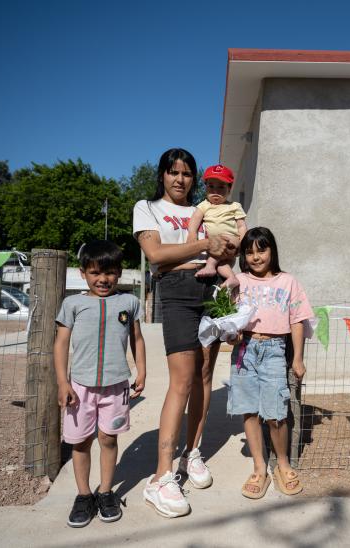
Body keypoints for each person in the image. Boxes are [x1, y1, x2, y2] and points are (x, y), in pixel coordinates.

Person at [132, 148, 233, 518]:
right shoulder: (147, 207)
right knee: (182, 380)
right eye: (173, 172)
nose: (180, 179)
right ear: (162, 174)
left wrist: (227, 249)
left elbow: (228, 249)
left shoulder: (204, 209)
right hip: (175, 288)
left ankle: (192, 452)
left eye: (187, 173)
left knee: (205, 375)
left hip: (212, 289)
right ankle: (161, 477)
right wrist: (206, 244)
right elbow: (156, 254)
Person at [54, 240, 146, 528]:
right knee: (81, 441)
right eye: (95, 272)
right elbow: (61, 344)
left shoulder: (129, 303)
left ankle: (105, 492)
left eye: (109, 272)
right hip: (80, 388)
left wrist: (141, 370)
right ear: (83, 273)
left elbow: (137, 338)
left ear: (119, 272)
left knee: (108, 439)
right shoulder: (72, 304)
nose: (102, 279)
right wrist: (63, 382)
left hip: (115, 387)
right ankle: (84, 495)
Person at [227, 227, 313, 498]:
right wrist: (231, 334)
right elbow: (229, 318)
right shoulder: (238, 281)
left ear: (272, 250)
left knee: (276, 413)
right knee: (249, 411)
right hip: (245, 351)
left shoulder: (288, 282)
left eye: (261, 250)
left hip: (276, 350)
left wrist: (297, 358)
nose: (255, 257)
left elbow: (297, 320)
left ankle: (283, 465)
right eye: (249, 252)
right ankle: (259, 468)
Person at [186, 164, 247, 289]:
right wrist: (192, 234)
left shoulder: (234, 206)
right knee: (221, 265)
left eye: (221, 187)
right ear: (206, 188)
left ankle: (209, 266)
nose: (216, 191)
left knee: (215, 255)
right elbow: (195, 220)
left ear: (229, 189)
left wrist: (243, 242)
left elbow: (241, 226)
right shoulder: (204, 205)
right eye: (211, 186)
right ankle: (232, 278)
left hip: (231, 241)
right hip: (215, 247)